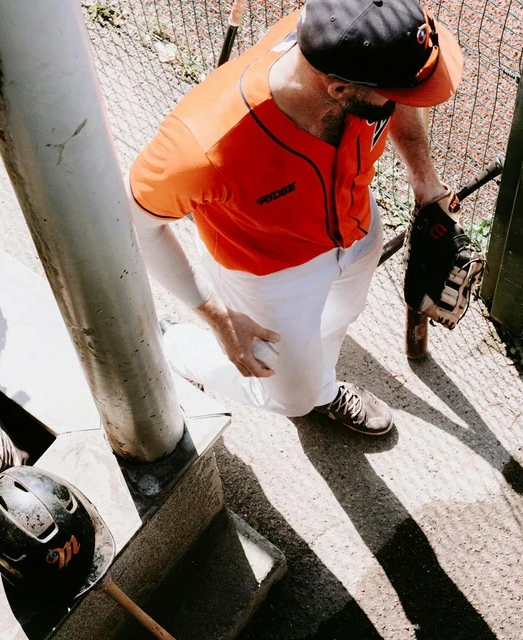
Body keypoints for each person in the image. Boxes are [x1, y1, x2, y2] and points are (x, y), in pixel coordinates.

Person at [127, 0, 462, 435]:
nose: (405, 100)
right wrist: (216, 314)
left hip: (357, 228)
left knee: (341, 315)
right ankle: (172, 344)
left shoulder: (347, 39)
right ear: (339, 90)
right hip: (269, 271)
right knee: (290, 397)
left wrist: (424, 180)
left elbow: (400, 93)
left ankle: (320, 383)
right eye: (396, 93)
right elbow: (135, 224)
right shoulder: (204, 144)